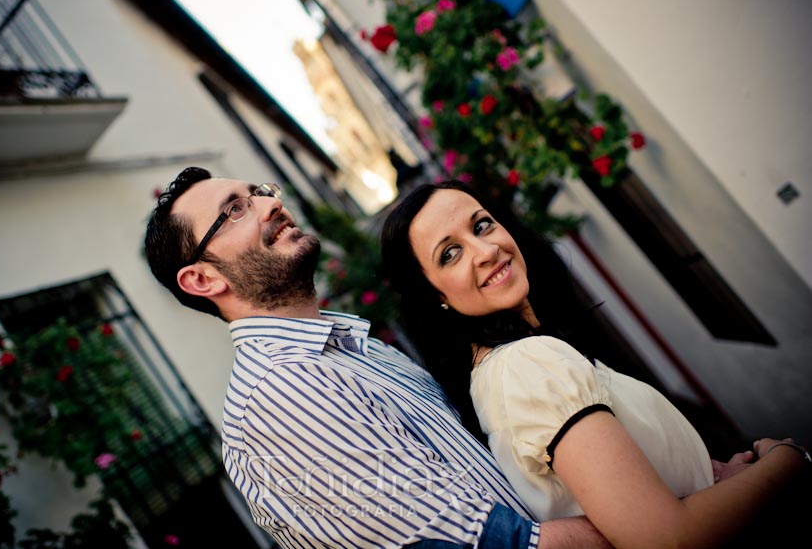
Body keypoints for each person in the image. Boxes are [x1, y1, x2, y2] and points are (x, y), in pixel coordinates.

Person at [144, 167, 613, 549]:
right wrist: (641, 523)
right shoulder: (279, 391)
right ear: (202, 281)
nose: (271, 203)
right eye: (235, 210)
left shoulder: (356, 347)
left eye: (260, 192)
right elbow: (486, 544)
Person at [379, 179, 809, 548]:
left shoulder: (509, 366)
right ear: (434, 296)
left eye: (482, 224)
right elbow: (664, 539)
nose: (486, 249)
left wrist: (710, 477)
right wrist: (786, 463)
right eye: (449, 253)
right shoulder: (528, 366)